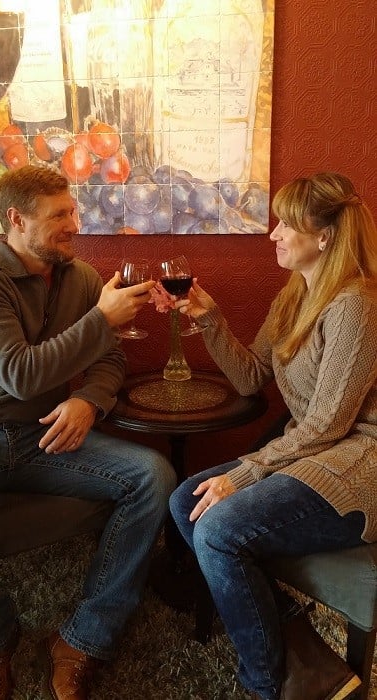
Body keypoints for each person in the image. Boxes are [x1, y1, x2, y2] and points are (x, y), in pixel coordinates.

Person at [169, 172, 377, 700]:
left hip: (356, 463)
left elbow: (331, 422)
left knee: (217, 529)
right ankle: (300, 650)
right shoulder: (294, 295)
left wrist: (248, 471)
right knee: (183, 500)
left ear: (324, 235)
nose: (273, 234)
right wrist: (211, 319)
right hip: (312, 451)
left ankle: (266, 682)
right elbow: (251, 377)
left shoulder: (355, 303)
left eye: (286, 224)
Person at [0, 165, 176, 700]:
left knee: (154, 475)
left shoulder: (83, 278)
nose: (76, 223)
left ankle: (84, 638)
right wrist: (101, 320)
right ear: (17, 220)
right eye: (60, 215)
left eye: (73, 210)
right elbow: (20, 374)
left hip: (50, 437)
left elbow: (110, 358)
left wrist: (89, 400)